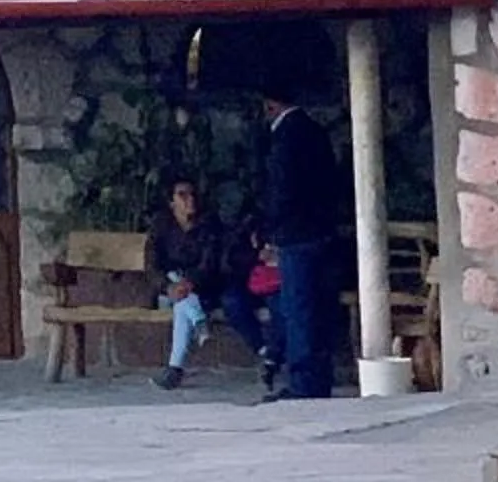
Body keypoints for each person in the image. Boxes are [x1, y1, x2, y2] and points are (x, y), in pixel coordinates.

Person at [254, 86, 346, 401]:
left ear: (269, 105)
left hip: (295, 236)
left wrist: (269, 231)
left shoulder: (285, 138)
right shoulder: (315, 131)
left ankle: (304, 384)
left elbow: (281, 190)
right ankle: (318, 379)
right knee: (316, 308)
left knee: (299, 309)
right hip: (322, 231)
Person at [143, 176, 266, 390]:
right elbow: (152, 265)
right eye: (182, 195)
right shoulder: (161, 226)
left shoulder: (208, 225)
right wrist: (167, 286)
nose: (189, 200)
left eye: (192, 194)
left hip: (203, 288)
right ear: (172, 203)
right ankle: (199, 323)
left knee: (184, 303)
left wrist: (190, 282)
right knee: (181, 298)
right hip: (170, 289)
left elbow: (211, 262)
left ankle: (175, 369)